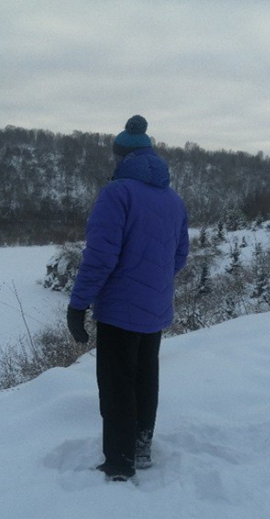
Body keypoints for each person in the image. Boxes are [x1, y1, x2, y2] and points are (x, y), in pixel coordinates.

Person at [67, 115, 190, 481]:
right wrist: (152, 283)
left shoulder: (116, 193)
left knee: (117, 385)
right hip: (155, 309)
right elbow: (179, 255)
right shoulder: (173, 199)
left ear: (120, 156)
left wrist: (78, 304)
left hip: (120, 310)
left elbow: (101, 257)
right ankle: (141, 448)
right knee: (145, 379)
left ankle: (119, 464)